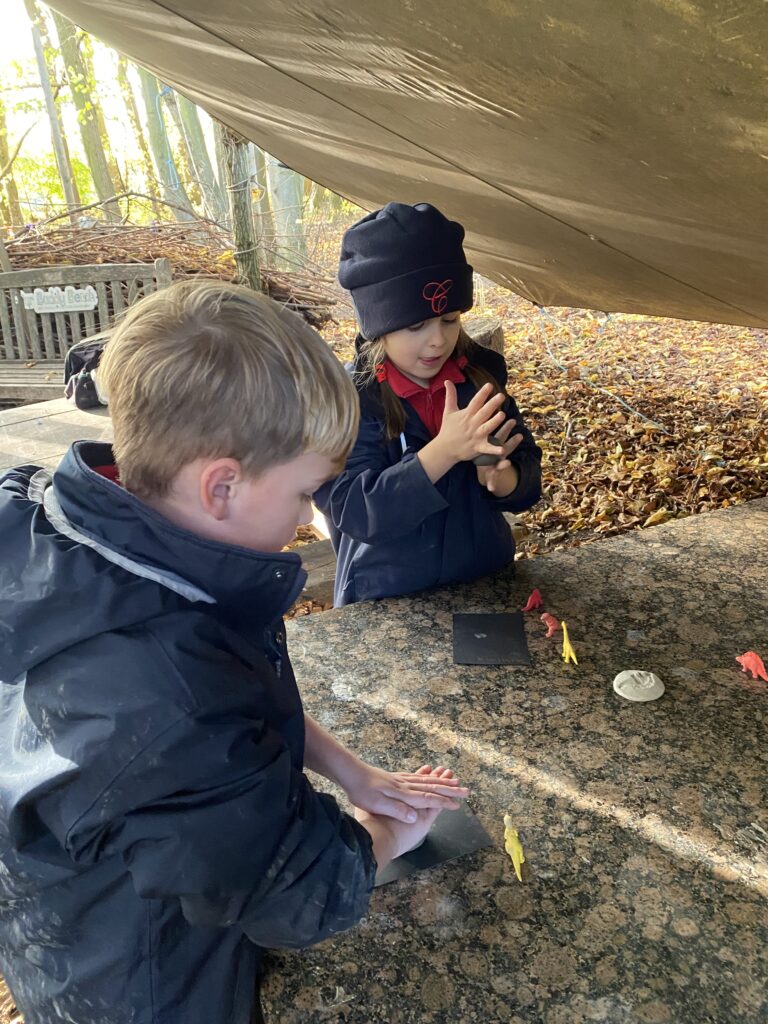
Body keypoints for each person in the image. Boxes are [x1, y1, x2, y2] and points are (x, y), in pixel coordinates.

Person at [0, 281, 468, 1024]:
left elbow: (227, 694)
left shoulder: (84, 536)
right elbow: (296, 891)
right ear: (221, 485)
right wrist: (390, 833)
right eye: (306, 492)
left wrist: (355, 772)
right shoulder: (161, 696)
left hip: (90, 907)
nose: (313, 517)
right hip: (140, 979)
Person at [314, 202, 542, 606]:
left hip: (484, 585)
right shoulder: (350, 402)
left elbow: (526, 479)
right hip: (384, 598)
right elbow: (354, 509)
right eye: (416, 325)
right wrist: (442, 452)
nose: (437, 340)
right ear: (378, 326)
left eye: (450, 319)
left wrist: (504, 480)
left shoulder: (479, 381)